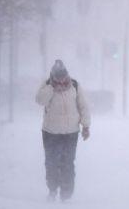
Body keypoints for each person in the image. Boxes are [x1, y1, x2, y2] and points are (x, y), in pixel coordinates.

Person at [35, 59, 91, 202]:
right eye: (58, 78)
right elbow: (40, 100)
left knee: (68, 163)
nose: (61, 81)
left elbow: (83, 106)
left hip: (71, 133)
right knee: (51, 163)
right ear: (53, 76)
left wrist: (86, 126)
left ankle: (66, 194)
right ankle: (52, 190)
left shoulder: (75, 86)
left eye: (63, 78)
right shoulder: (47, 85)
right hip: (50, 132)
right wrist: (51, 88)